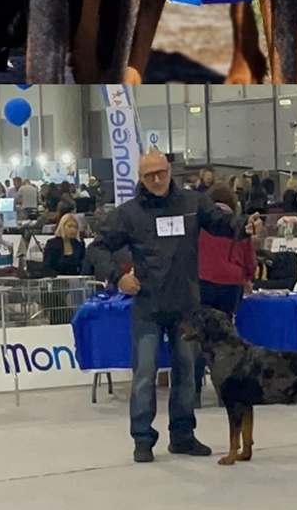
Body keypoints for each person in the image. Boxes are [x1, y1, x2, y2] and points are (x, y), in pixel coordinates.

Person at [90, 150, 257, 462]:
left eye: (161, 173)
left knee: (186, 375)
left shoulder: (193, 204)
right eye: (149, 175)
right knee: (144, 375)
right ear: (140, 178)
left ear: (170, 172)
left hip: (186, 307)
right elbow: (98, 248)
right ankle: (142, 439)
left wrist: (243, 225)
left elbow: (220, 221)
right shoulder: (128, 214)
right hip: (149, 307)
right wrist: (117, 277)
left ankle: (182, 436)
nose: (157, 180)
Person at [194, 183, 256, 402]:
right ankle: (224, 393)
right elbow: (249, 260)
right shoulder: (239, 225)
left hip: (203, 283)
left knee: (201, 337)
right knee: (226, 338)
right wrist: (247, 277)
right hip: (231, 286)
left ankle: (194, 392)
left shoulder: (200, 224)